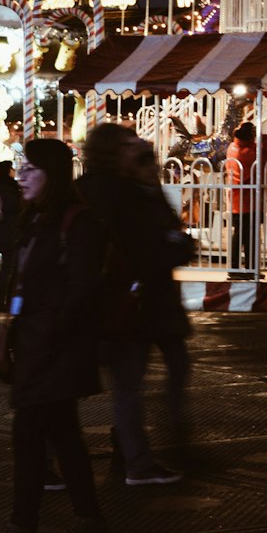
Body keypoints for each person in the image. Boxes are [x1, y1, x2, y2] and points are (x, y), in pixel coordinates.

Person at [0, 138, 108, 533]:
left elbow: (81, 291)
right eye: (21, 169)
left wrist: (49, 336)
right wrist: (12, 337)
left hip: (56, 351)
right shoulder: (37, 220)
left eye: (30, 169)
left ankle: (23, 532)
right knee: (64, 438)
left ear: (52, 175)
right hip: (37, 347)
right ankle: (90, 522)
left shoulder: (76, 222)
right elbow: (25, 286)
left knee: (29, 438)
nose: (20, 176)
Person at [79, 122, 188, 486]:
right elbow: (158, 244)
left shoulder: (82, 190)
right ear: (114, 152)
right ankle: (136, 461)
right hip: (127, 302)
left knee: (76, 384)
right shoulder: (128, 194)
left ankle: (122, 454)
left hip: (94, 302)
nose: (136, 147)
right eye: (128, 144)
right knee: (126, 387)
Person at [226, 121, 258, 271]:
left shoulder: (232, 147)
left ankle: (236, 265)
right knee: (247, 235)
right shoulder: (249, 152)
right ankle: (248, 266)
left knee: (240, 233)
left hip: (236, 199)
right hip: (247, 199)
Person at [0, 162, 21, 317]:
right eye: (11, 169)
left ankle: (4, 300)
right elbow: (12, 208)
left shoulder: (1, 188)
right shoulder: (7, 189)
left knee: (10, 268)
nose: (14, 171)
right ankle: (2, 300)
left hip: (8, 233)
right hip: (10, 234)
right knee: (9, 269)